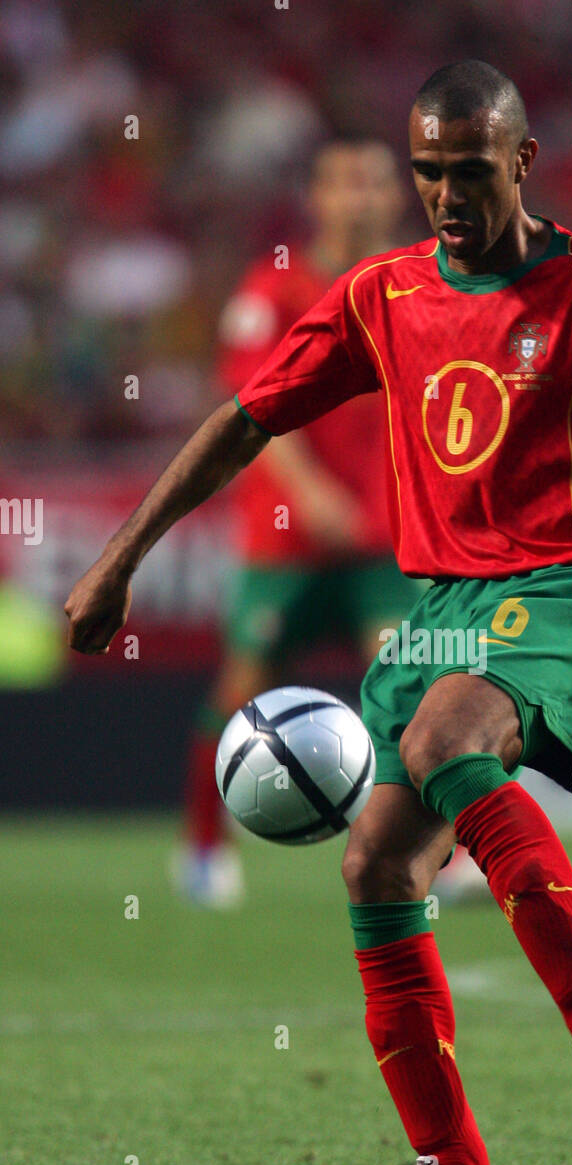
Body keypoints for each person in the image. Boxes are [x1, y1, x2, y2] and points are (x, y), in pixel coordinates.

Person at [65, 60, 572, 1165]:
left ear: (521, 162)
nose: (445, 194)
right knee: (375, 867)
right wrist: (121, 559)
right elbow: (246, 418)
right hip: (440, 602)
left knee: (452, 737)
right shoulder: (380, 293)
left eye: (467, 169)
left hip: (567, 585)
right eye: (427, 171)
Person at [177, 137, 424, 906]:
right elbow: (250, 410)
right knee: (244, 693)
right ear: (315, 197)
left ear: (395, 196)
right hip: (285, 542)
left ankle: (428, 857)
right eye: (343, 181)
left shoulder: (422, 284)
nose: (359, 197)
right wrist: (309, 491)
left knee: (409, 693)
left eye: (373, 182)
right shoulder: (273, 286)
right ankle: (203, 849)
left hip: (386, 539)